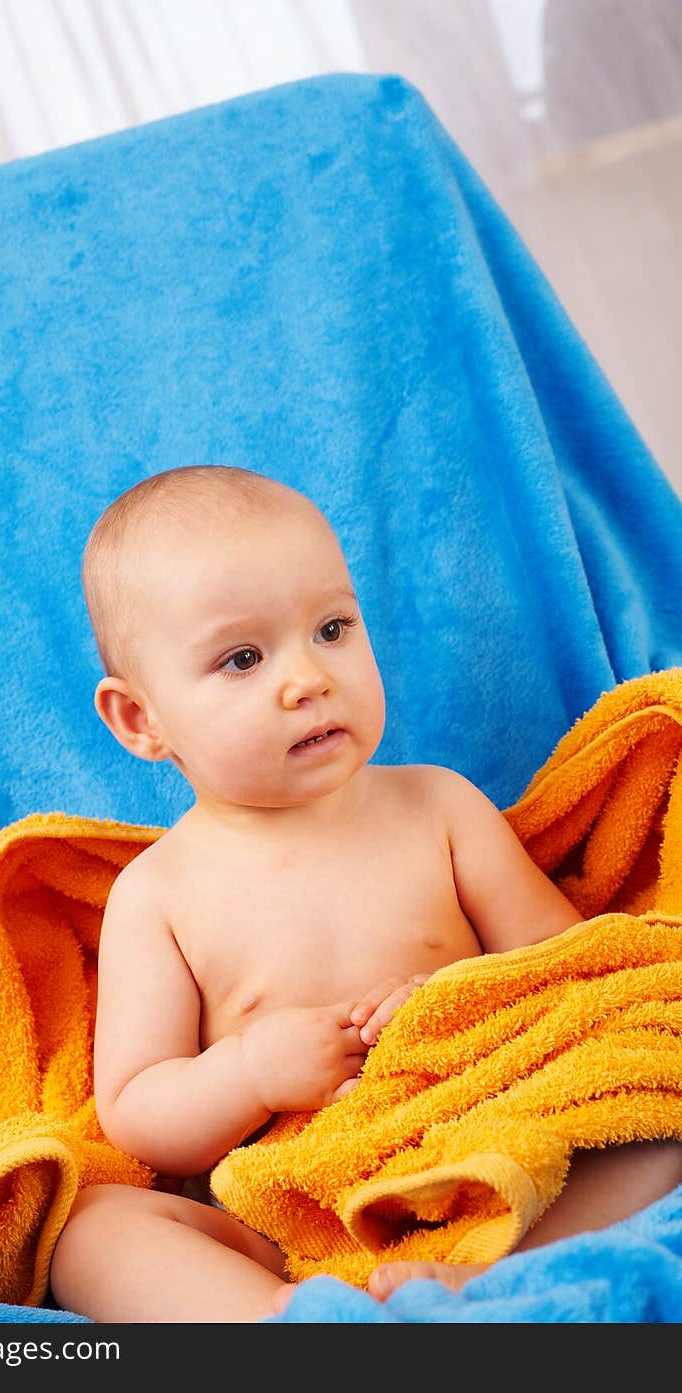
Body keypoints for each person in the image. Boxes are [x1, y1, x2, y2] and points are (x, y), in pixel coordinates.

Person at [49, 464, 682, 1323]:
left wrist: (457, 1003)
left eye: (332, 628)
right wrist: (251, 1071)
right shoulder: (157, 894)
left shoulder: (439, 807)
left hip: (489, 1137)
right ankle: (288, 1318)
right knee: (88, 1230)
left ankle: (503, 1275)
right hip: (302, 1193)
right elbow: (137, 1108)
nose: (307, 677)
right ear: (141, 720)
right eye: (243, 657)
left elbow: (567, 972)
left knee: (652, 1090)